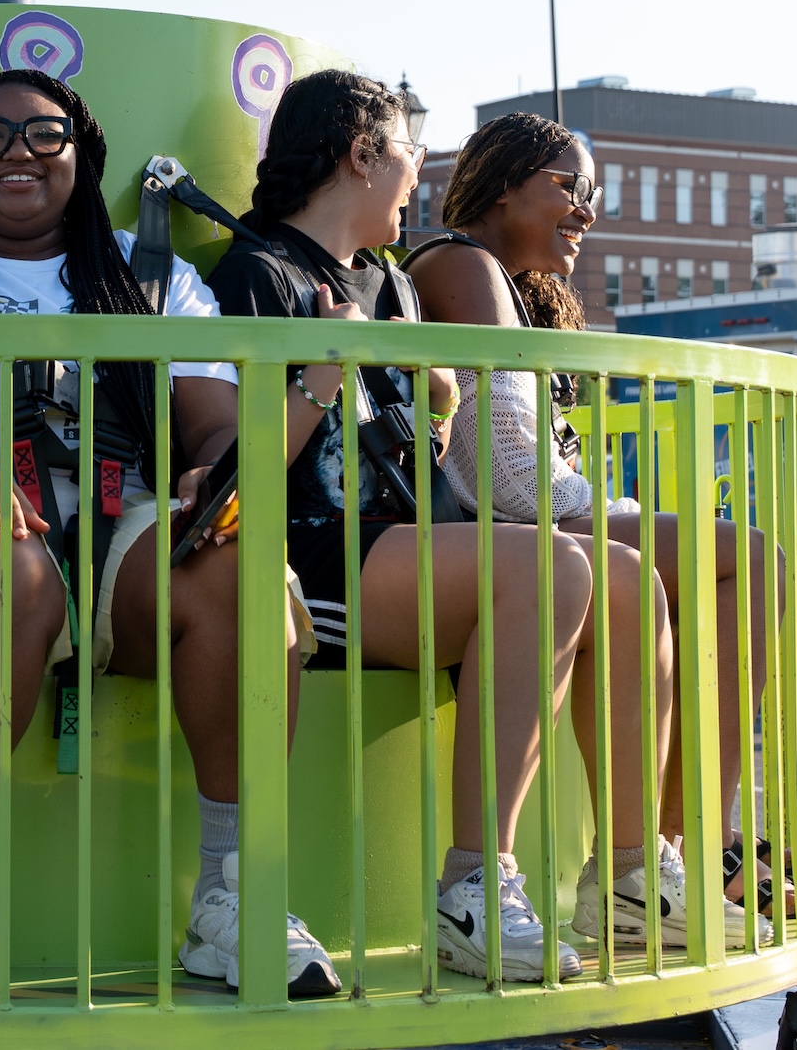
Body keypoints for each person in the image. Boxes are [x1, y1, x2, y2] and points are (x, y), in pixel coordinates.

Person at [0, 69, 334, 1003]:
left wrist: (212, 470)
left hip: (113, 527)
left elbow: (209, 422)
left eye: (46, 135)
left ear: (82, 160)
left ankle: (236, 895)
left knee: (240, 561)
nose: (18, 154)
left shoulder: (149, 275)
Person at [206, 70, 676, 981]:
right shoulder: (254, 273)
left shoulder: (392, 284)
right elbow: (236, 467)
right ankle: (473, 884)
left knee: (625, 573)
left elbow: (411, 457)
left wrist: (440, 400)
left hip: (399, 541)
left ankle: (625, 875)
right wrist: (323, 369)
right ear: (361, 155)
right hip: (311, 556)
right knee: (557, 569)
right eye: (409, 151)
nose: (420, 174)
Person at [407, 111, 775, 941]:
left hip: (539, 523)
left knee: (751, 563)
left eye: (594, 194)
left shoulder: (511, 286)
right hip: (501, 533)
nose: (588, 211)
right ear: (502, 183)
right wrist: (617, 512)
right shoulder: (461, 265)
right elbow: (507, 473)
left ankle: (664, 860)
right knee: (742, 562)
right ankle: (653, 866)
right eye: (568, 187)